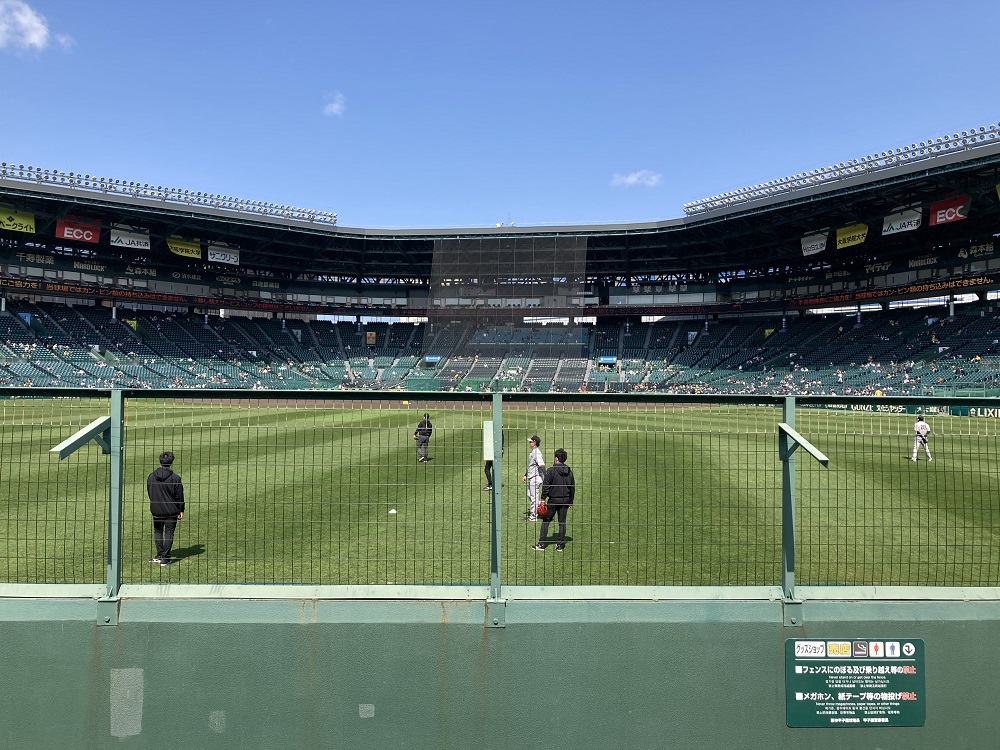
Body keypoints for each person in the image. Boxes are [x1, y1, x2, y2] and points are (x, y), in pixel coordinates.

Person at [147, 451, 185, 566]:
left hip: (156, 509)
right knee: (169, 533)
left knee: (158, 531)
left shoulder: (151, 476)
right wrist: (181, 509)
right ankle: (165, 557)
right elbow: (179, 496)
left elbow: (150, 492)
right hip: (171, 510)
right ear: (171, 462)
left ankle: (159, 555)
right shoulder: (175, 478)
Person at [533, 448, 575, 551]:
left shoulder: (551, 470)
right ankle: (560, 545)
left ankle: (542, 544)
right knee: (562, 522)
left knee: (546, 521)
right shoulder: (569, 471)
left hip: (553, 500)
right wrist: (570, 501)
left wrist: (543, 498)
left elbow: (546, 485)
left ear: (556, 458)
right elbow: (572, 487)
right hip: (565, 500)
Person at [522, 435, 545, 520]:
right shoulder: (532, 452)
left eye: (530, 441)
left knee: (533, 498)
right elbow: (531, 466)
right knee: (530, 496)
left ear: (534, 442)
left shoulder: (537, 453)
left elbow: (542, 465)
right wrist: (525, 475)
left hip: (536, 478)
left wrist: (546, 478)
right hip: (531, 477)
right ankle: (541, 506)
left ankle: (533, 516)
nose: (529, 443)